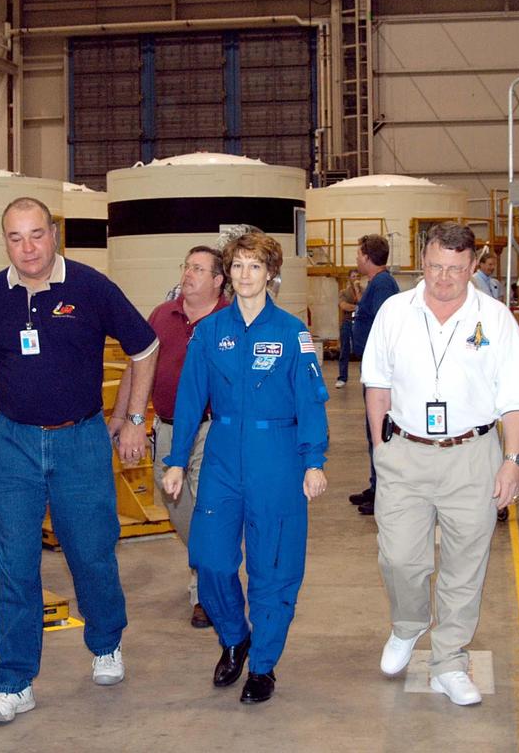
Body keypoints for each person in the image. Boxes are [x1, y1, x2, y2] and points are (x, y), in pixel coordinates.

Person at [0, 196, 158, 725]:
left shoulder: (91, 287)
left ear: (55, 234)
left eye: (36, 234)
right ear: (4, 241)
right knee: (15, 566)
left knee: (91, 552)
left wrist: (134, 419)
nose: (27, 248)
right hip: (13, 447)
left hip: (81, 442)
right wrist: (25, 391)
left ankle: (106, 643)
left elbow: (144, 346)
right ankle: (14, 681)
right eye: (15, 237)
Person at [361, 221, 519, 706]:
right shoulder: (395, 312)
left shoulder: (496, 319)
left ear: (473, 266)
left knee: (465, 565)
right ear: (423, 261)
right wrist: (382, 450)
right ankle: (409, 624)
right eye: (435, 266)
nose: (443, 278)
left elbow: (515, 398)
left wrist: (512, 461)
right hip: (406, 452)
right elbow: (377, 384)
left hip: (474, 456)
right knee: (399, 558)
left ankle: (450, 661)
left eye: (455, 269)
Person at [162, 231, 329, 705]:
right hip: (222, 456)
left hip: (277, 456)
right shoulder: (210, 333)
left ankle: (264, 666)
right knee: (210, 557)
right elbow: (191, 398)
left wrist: (313, 460)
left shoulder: (292, 332)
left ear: (271, 274)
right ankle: (235, 637)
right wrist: (176, 461)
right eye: (237, 266)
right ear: (228, 274)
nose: (244, 275)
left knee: (273, 568)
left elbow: (311, 400)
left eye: (255, 267)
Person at [110, 245, 228, 630]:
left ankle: (205, 590)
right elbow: (137, 364)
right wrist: (122, 415)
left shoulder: (231, 319)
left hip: (213, 428)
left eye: (198, 268)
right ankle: (214, 564)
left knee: (207, 504)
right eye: (186, 266)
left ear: (217, 280)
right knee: (176, 501)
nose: (188, 274)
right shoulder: (163, 315)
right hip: (167, 426)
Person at [347, 234, 400, 515]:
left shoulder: (381, 285)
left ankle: (382, 490)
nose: (356, 258)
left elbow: (384, 327)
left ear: (368, 257)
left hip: (380, 372)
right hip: (372, 368)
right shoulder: (378, 283)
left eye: (358, 253)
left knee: (378, 431)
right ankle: (375, 484)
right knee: (373, 431)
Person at [335, 269, 362, 388]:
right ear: (349, 278)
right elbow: (343, 305)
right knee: (344, 350)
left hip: (359, 324)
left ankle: (365, 376)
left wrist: (357, 290)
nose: (355, 278)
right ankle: (342, 377)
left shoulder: (364, 291)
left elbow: (364, 303)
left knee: (362, 350)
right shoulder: (343, 292)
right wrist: (356, 308)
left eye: (357, 276)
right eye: (353, 276)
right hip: (347, 322)